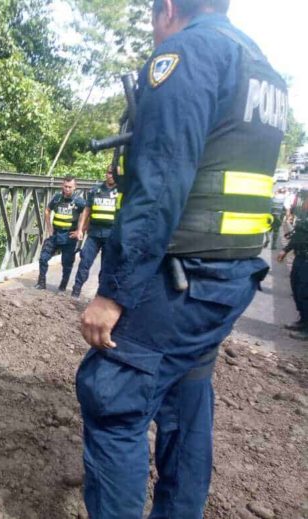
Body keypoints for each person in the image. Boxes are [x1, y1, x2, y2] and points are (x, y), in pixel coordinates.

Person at [76, 1, 287, 518]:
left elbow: (161, 183)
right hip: (228, 278)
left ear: (167, 8)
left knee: (112, 399)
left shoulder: (187, 52)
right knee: (186, 401)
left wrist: (112, 292)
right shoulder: (263, 68)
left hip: (180, 279)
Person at [71, 166, 118, 298]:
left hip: (111, 235)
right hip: (94, 233)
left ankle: (101, 296)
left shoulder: (122, 191)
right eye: (109, 172)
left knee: (107, 267)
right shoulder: (95, 189)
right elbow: (87, 210)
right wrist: (80, 229)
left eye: (113, 173)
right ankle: (76, 291)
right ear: (106, 173)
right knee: (85, 261)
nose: (111, 175)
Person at [35, 176, 86, 291]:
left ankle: (63, 286)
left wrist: (80, 230)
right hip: (56, 234)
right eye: (65, 186)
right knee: (43, 258)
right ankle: (41, 283)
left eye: (70, 187)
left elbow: (86, 212)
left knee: (67, 264)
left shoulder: (79, 201)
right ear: (62, 186)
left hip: (69, 236)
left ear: (74, 187)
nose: (67, 189)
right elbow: (47, 210)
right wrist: (49, 228)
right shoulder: (57, 198)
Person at [279, 193, 308, 339]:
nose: (303, 203)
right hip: (300, 257)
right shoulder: (305, 217)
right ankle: (303, 320)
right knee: (297, 289)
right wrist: (286, 250)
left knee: (305, 292)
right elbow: (298, 236)